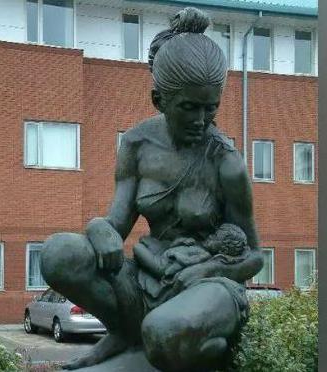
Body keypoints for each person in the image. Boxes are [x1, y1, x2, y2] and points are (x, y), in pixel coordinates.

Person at [40, 7, 263, 371]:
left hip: (210, 287)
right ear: (159, 100)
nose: (201, 120)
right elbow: (117, 223)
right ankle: (131, 336)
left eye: (211, 108)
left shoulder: (227, 162)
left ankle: (187, 347)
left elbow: (254, 255)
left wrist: (203, 272)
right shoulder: (136, 144)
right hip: (146, 281)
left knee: (164, 331)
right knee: (58, 253)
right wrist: (99, 230)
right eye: (189, 108)